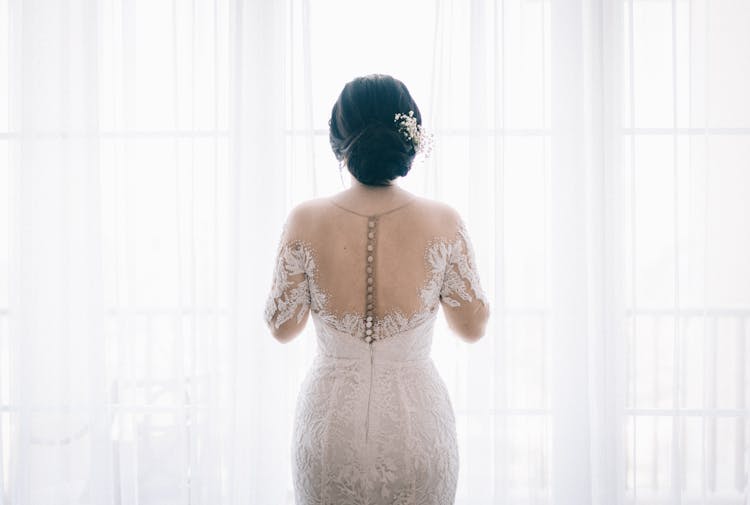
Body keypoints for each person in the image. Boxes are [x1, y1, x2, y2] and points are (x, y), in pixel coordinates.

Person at [264, 74, 490, 505]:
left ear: (338, 138)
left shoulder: (305, 220)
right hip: (416, 427)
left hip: (330, 427)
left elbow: (282, 327)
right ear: (411, 134)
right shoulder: (442, 222)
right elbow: (471, 328)